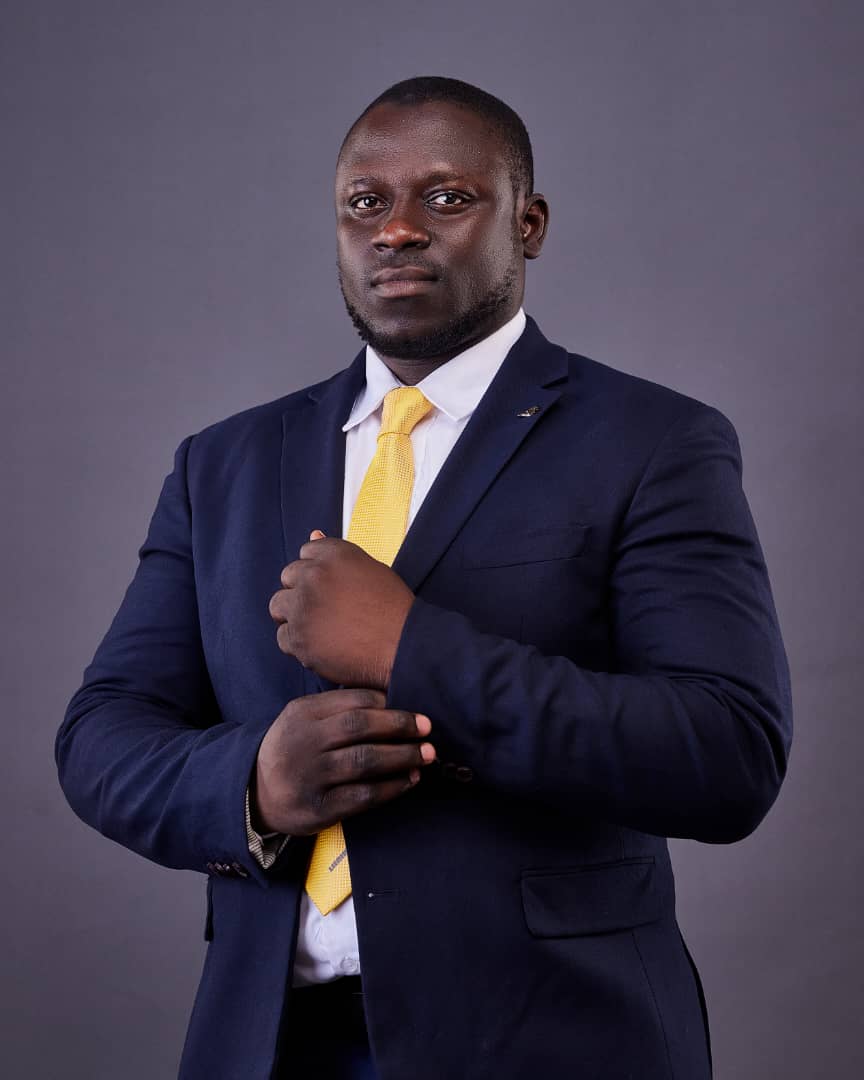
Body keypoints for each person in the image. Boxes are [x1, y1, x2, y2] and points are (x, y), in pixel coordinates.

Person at [56, 76, 793, 1080]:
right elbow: (102, 734)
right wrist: (254, 785)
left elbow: (728, 755)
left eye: (446, 197)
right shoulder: (222, 464)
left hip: (553, 1044)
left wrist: (414, 651)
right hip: (267, 1046)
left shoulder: (654, 442)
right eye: (366, 202)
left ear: (527, 224)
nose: (397, 229)